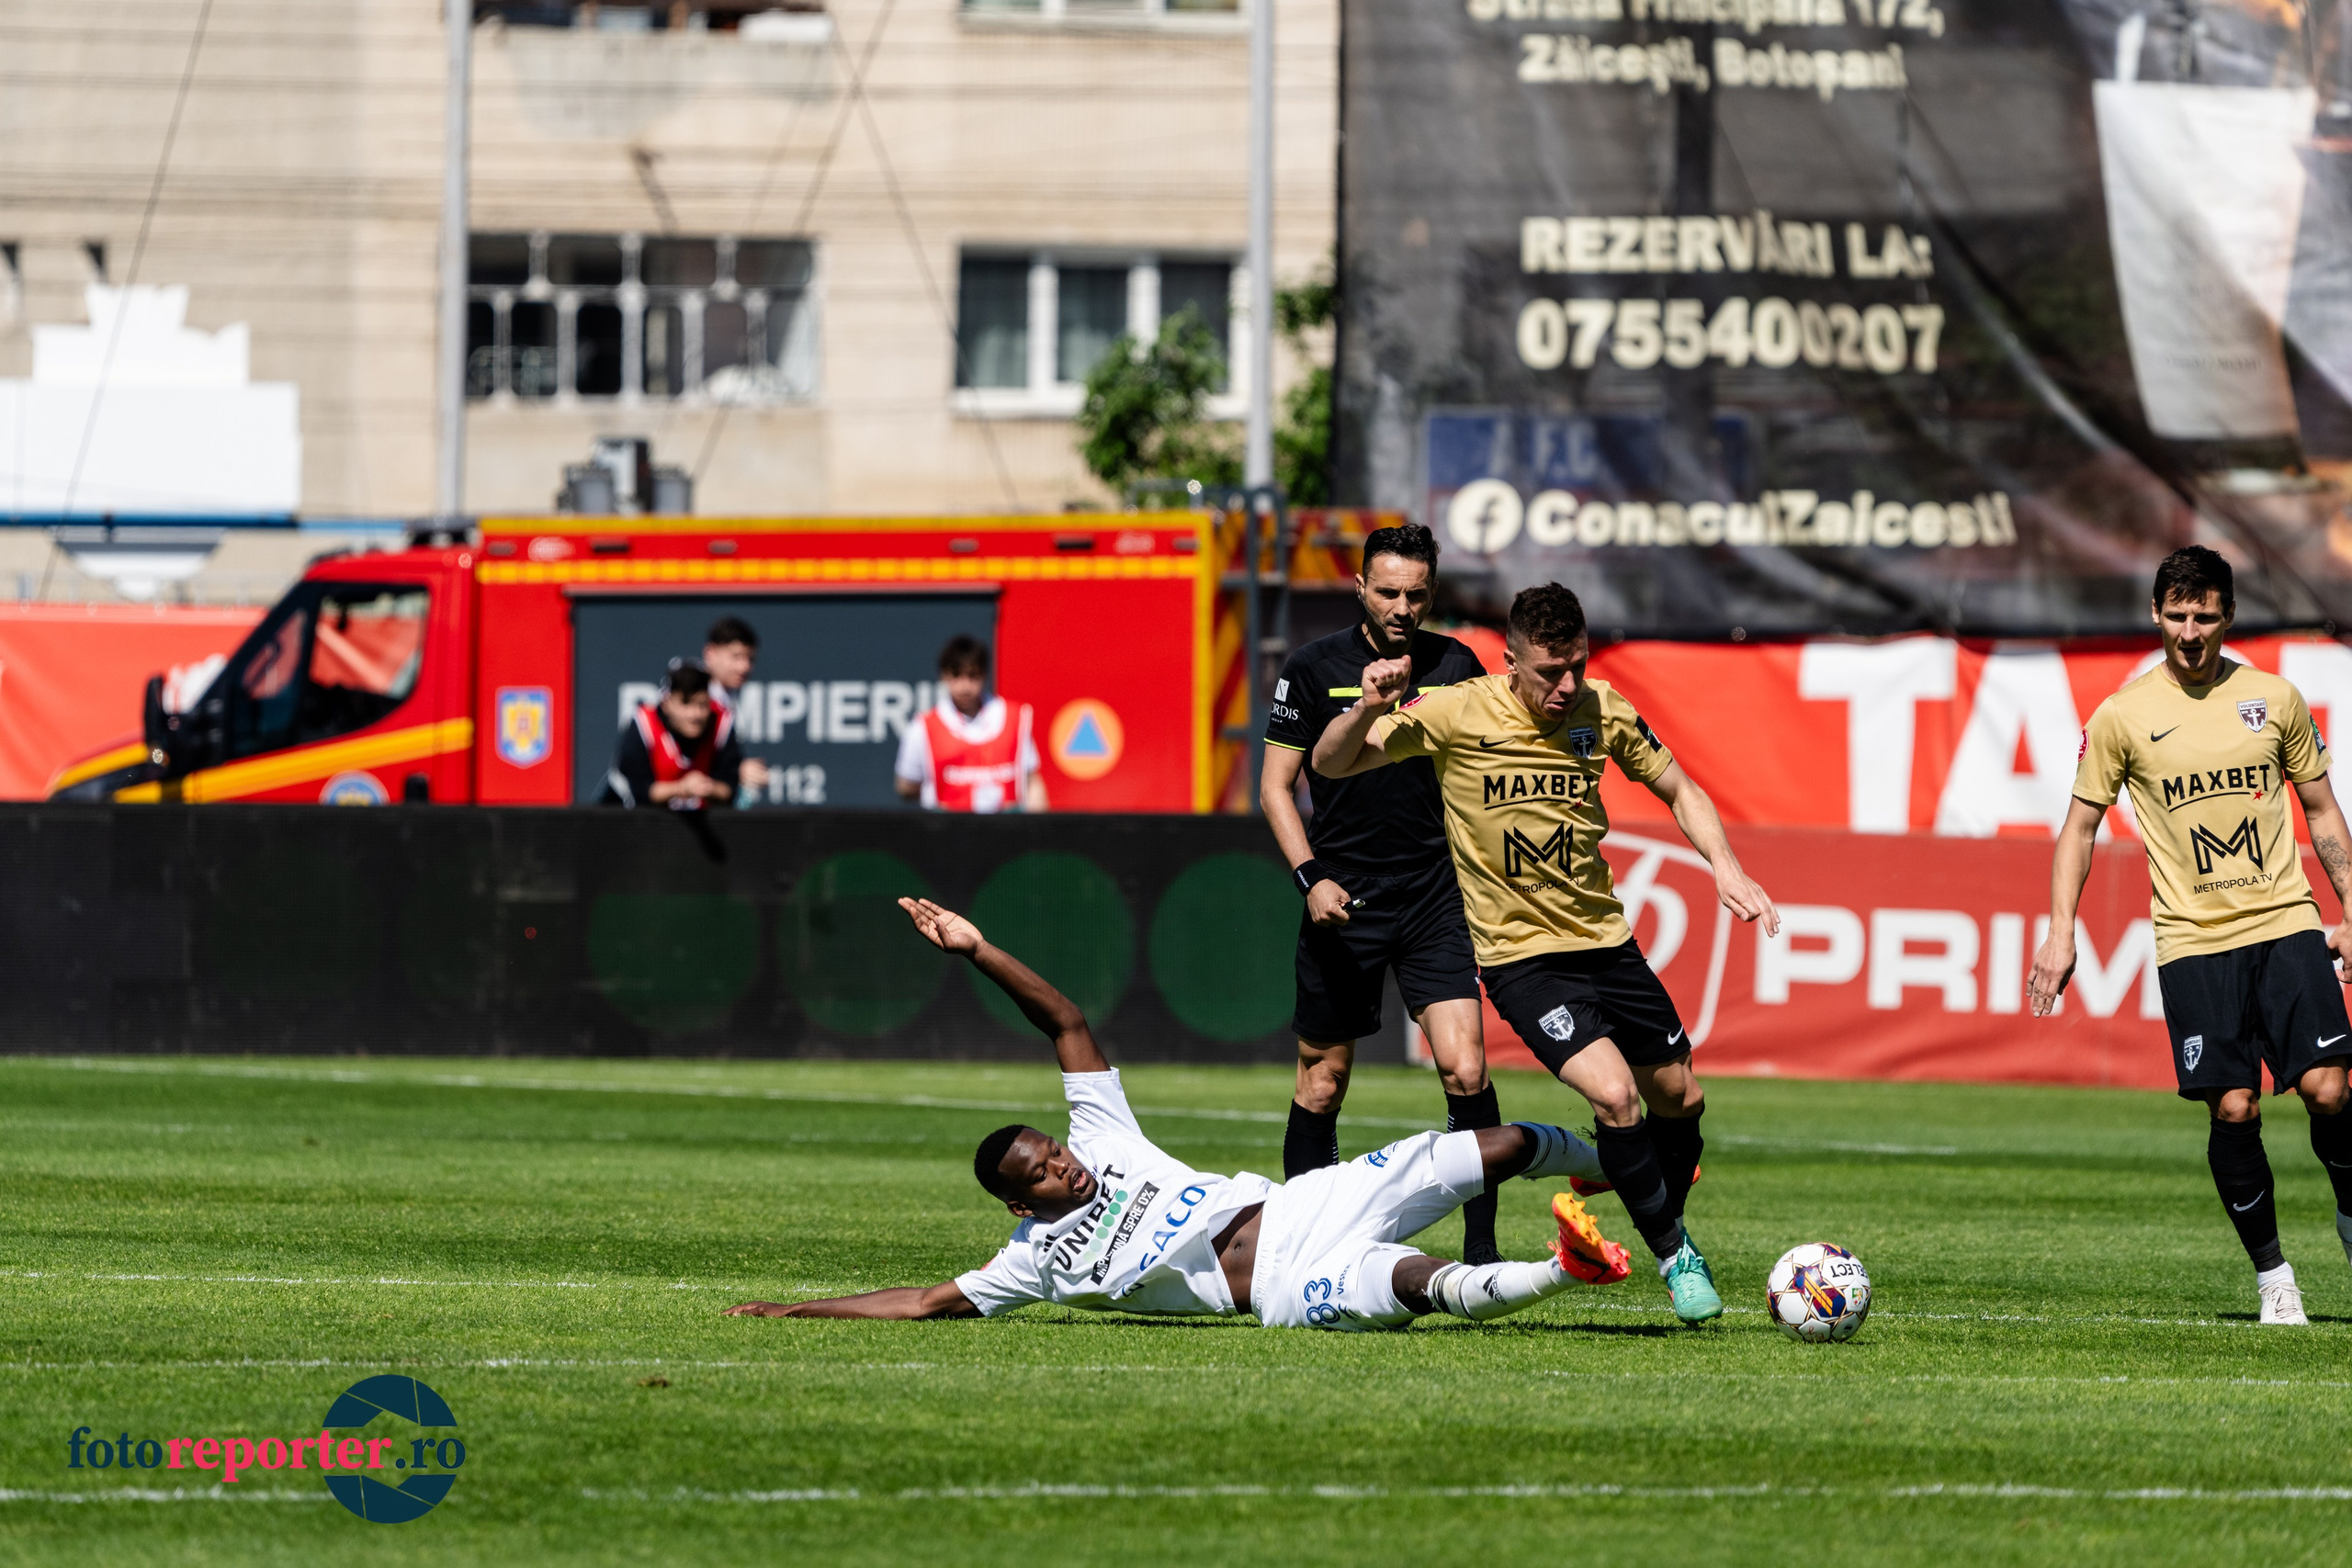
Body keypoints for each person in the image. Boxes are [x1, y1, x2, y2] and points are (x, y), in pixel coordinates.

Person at [723, 897, 1631, 1328]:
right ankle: (1566, 1267)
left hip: (1300, 1208)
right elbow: (922, 1301)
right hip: (1277, 1293)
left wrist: (977, 949)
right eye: (1039, 1173)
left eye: (1050, 1149)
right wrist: (790, 1312)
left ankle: (1619, 1163)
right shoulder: (1034, 1261)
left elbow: (1064, 1021)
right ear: (1018, 1204)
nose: (1060, 1165)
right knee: (1421, 1286)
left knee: (1497, 1142)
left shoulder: (1103, 1139)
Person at [1310, 582, 1780, 1325]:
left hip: (1607, 941)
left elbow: (1681, 788)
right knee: (1617, 1094)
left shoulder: (1604, 710)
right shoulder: (1458, 709)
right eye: (1548, 672)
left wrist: (1726, 864)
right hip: (1522, 959)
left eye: (1578, 667)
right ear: (1509, 663)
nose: (1567, 687)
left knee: (1680, 1098)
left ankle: (1630, 1177)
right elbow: (1332, 764)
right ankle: (1675, 1253)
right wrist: (1367, 705)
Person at [2030, 546, 2352, 1325]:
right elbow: (2079, 829)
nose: (2190, 630)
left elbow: (2321, 812)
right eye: (2176, 614)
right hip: (2193, 940)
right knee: (2234, 1107)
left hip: (2285, 920)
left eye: (2205, 615)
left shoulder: (2274, 699)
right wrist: (2060, 931)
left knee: (2331, 1089)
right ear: (2155, 615)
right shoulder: (2122, 715)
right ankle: (2275, 1277)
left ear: (2228, 616)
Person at [1261, 523, 1503, 1262]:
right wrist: (1311, 878)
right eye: (1389, 591)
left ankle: (1483, 1251)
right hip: (1345, 897)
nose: (1403, 606)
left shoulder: (1458, 662)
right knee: (1323, 1083)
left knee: (1466, 1068)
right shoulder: (1311, 665)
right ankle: (1305, 1253)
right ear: (1360, 588)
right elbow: (1276, 788)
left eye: (1417, 594)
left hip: (1435, 895)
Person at [893, 635, 1046, 813]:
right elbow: (906, 786)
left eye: (973, 675)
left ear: (985, 674)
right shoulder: (923, 727)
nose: (965, 685)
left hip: (1006, 833)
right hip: (947, 833)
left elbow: (1032, 782)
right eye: (957, 675)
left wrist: (1040, 833)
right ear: (944, 675)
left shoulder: (1015, 719)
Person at [600, 660, 741, 810]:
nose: (695, 715)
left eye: (702, 705)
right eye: (686, 703)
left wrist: (709, 788)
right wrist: (682, 789)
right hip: (630, 823)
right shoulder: (644, 724)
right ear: (666, 704)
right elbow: (640, 791)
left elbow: (729, 787)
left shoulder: (721, 724)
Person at [701, 616, 772, 803]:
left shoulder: (728, 699)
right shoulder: (695, 697)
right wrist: (736, 771)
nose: (745, 667)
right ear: (710, 653)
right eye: (736, 656)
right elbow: (679, 761)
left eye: (750, 658)